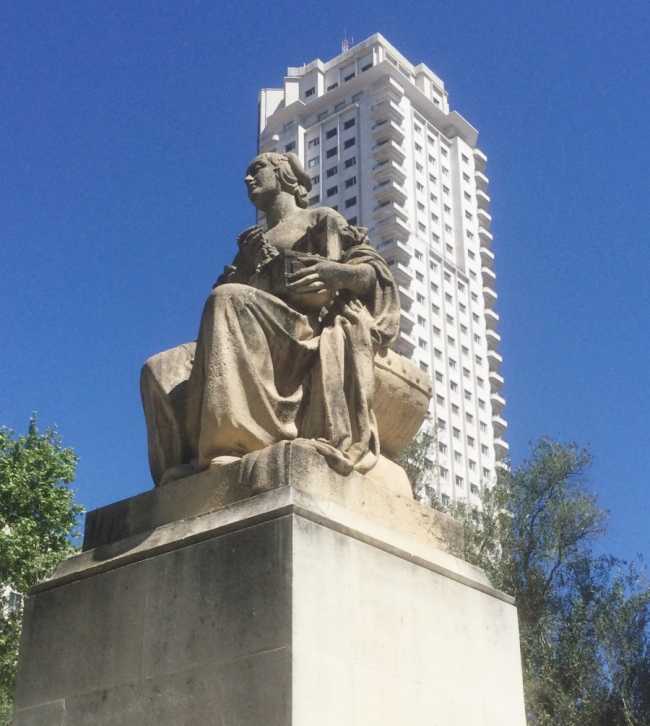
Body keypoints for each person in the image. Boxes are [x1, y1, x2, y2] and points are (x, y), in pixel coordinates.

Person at [173, 152, 400, 480]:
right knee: (160, 369)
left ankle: (232, 444)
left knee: (226, 299)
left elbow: (372, 273)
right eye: (246, 174)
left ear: (284, 174)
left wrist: (335, 272)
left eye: (257, 169)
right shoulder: (250, 245)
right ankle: (183, 460)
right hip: (258, 329)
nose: (248, 179)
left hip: (304, 327)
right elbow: (227, 303)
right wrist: (250, 267)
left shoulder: (320, 219)